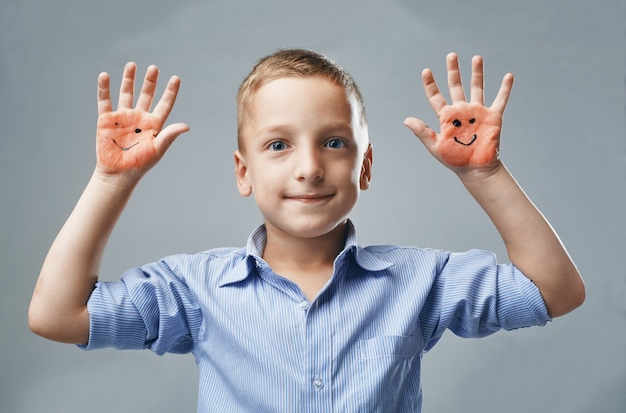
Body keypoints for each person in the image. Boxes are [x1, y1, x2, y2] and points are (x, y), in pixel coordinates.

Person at [28, 49, 585, 412]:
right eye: (278, 145)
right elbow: (57, 316)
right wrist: (111, 180)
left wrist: (483, 173)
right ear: (243, 172)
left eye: (335, 143)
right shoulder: (192, 288)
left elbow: (555, 292)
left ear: (365, 167)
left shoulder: (421, 280)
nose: (309, 168)